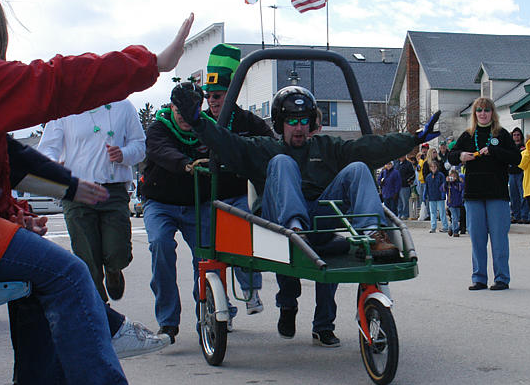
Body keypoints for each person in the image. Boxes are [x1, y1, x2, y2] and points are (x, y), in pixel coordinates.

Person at [0, 0, 191, 385]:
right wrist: (150, 63)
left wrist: (13, 215)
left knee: (39, 273)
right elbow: (56, 82)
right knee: (67, 273)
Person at [171, 83, 441, 343]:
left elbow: (370, 148)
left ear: (311, 123)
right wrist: (197, 121)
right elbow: (228, 144)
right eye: (291, 120)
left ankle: (370, 235)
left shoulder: (326, 147)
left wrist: (413, 139)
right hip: (282, 226)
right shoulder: (266, 149)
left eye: (303, 120)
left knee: (359, 166)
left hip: (320, 218)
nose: (298, 127)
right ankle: (289, 292)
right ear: (280, 123)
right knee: (282, 162)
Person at [142, 44, 273, 342]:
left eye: (193, 109)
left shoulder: (209, 127)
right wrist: (187, 164)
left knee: (207, 257)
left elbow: (248, 145)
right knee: (161, 245)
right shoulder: (159, 126)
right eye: (181, 110)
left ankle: (210, 311)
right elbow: (160, 151)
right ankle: (168, 321)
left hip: (197, 202)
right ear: (172, 108)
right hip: (160, 203)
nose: (187, 117)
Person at [8, 138, 170, 359]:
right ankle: (106, 328)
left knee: (53, 276)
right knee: (70, 269)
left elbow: (12, 166)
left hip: (109, 190)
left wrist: (18, 216)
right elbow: (21, 163)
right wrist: (70, 186)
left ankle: (102, 327)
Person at [38, 97, 145, 302]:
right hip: (77, 191)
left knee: (118, 251)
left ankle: (114, 270)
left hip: (113, 192)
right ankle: (100, 310)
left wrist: (123, 153)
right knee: (87, 257)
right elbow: (48, 148)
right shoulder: (64, 107)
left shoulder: (123, 105)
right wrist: (53, 166)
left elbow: (140, 145)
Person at [447, 97, 521, 291]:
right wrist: (461, 156)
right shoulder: (468, 135)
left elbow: (516, 158)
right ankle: (479, 277)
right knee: (477, 238)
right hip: (474, 194)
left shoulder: (502, 134)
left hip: (497, 193)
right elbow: (451, 155)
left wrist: (495, 151)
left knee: (499, 239)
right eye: (479, 110)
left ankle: (502, 278)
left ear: (492, 112)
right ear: (474, 113)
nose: (483, 113)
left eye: (486, 110)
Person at [508, 127, 529, 224]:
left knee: (523, 195)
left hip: (521, 172)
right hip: (511, 173)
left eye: (518, 135)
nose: (516, 137)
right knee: (513, 196)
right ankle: (516, 215)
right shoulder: (509, 147)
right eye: (514, 135)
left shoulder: (524, 147)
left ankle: (524, 215)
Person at [423, 160, 448, 233]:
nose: (433, 168)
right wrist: (424, 195)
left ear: (437, 167)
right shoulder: (428, 177)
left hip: (440, 196)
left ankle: (445, 226)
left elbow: (443, 185)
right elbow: (426, 187)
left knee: (442, 212)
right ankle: (433, 227)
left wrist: (443, 193)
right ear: (430, 168)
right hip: (431, 196)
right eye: (432, 167)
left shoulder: (441, 175)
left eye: (435, 166)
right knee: (432, 212)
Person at [445, 168, 464, 237]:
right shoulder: (448, 185)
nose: (452, 178)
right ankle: (455, 231)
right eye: (451, 176)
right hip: (451, 203)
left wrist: (460, 182)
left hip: (458, 203)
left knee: (457, 217)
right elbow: (442, 188)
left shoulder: (458, 184)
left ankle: (450, 228)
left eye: (454, 177)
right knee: (454, 217)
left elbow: (461, 188)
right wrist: (446, 182)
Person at [395, 155, 415, 219]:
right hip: (397, 186)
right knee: (399, 202)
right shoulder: (396, 163)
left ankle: (405, 214)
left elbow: (412, 174)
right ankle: (399, 214)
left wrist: (407, 180)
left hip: (405, 186)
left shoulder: (408, 164)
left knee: (405, 201)